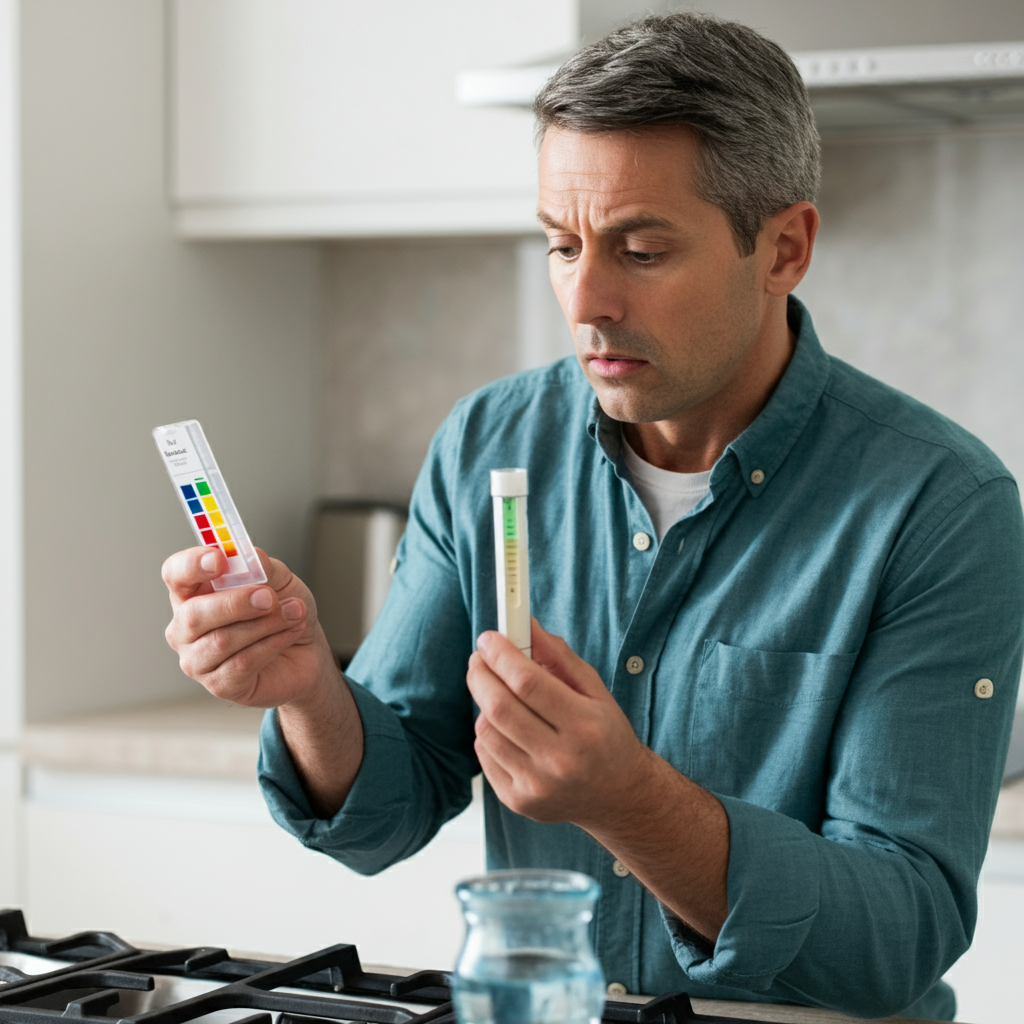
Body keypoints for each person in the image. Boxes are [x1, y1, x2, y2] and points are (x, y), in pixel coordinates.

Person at [162, 12, 1024, 1022]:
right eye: (561, 245)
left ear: (783, 248)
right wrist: (309, 691)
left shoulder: (938, 505)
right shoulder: (491, 441)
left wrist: (628, 799)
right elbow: (386, 811)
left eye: (642, 250)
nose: (587, 300)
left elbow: (898, 932)